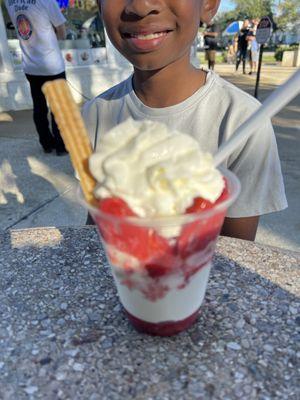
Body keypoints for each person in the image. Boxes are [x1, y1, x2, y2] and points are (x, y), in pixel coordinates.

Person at [83, 0, 287, 241]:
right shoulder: (97, 114)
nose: (140, 6)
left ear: (208, 4)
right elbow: (95, 229)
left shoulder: (243, 121)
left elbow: (236, 255)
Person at [4, 0, 68, 155]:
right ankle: (60, 146)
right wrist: (53, 38)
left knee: (39, 107)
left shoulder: (9, 2)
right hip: (51, 65)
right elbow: (62, 31)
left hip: (30, 65)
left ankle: (46, 144)